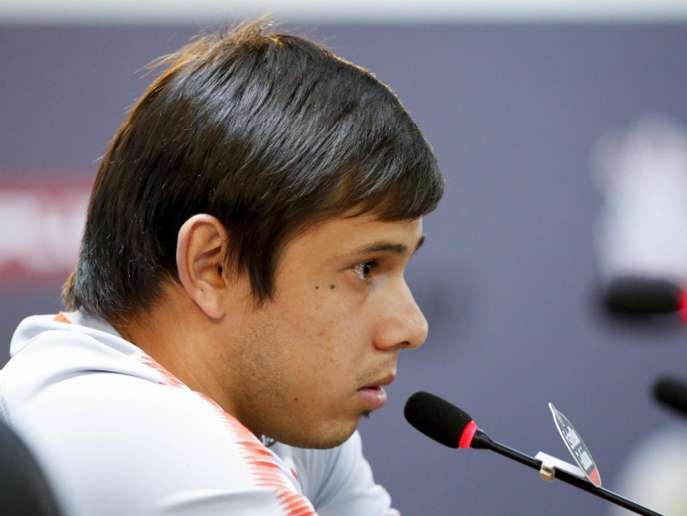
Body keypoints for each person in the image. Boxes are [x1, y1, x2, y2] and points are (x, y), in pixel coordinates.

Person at [0, 19, 443, 516]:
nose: (412, 328)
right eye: (365, 267)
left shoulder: (277, 407)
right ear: (212, 266)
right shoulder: (163, 452)